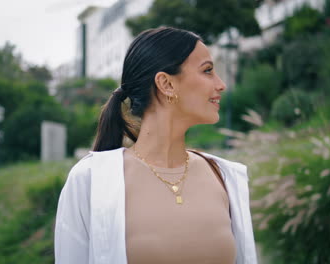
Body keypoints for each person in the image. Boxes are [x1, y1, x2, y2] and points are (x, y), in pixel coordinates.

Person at [55, 27, 258, 264]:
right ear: (166, 84)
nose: (221, 84)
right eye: (208, 71)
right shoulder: (91, 180)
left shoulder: (226, 178)